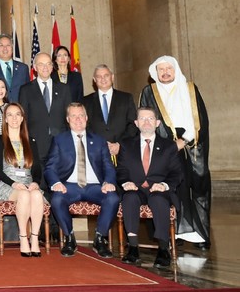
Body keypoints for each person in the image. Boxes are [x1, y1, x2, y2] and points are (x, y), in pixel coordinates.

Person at [139, 55, 211, 249]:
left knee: (196, 188)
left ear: (175, 70)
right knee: (170, 189)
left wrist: (184, 140)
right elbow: (145, 120)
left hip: (190, 144)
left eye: (168, 68)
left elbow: (200, 119)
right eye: (161, 69)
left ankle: (200, 235)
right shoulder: (149, 91)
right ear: (155, 72)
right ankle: (174, 232)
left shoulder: (190, 89)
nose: (165, 73)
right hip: (162, 147)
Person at [44, 103, 119, 258]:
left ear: (86, 118)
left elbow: (109, 166)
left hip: (95, 186)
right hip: (70, 186)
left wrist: (108, 182)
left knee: (113, 198)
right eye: (73, 116)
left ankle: (100, 238)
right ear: (67, 119)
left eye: (81, 116)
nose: (78, 119)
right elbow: (50, 167)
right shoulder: (59, 140)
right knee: (57, 199)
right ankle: (69, 238)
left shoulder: (99, 141)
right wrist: (56, 183)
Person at [117, 107, 183, 269]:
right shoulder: (126, 145)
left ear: (157, 123)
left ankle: (163, 249)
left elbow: (177, 173)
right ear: (136, 123)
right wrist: (125, 182)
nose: (146, 122)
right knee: (129, 197)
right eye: (142, 118)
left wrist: (164, 185)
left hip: (159, 190)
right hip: (136, 189)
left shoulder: (169, 146)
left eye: (150, 118)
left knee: (158, 200)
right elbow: (121, 170)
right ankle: (133, 248)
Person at [0, 102, 44, 257]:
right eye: (10, 115)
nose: (14, 118)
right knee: (24, 195)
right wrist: (13, 183)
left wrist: (35, 182)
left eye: (17, 114)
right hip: (8, 183)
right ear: (5, 119)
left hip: (28, 182)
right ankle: (23, 237)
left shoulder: (31, 141)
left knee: (36, 195)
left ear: (22, 118)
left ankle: (34, 238)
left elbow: (37, 168)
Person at [19, 51, 72, 167]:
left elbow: (69, 117)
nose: (45, 67)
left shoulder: (64, 89)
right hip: (35, 146)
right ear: (34, 67)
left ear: (52, 67)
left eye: (48, 64)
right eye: (41, 64)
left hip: (60, 145)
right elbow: (23, 120)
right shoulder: (26, 90)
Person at [81, 64, 137, 160]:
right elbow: (84, 126)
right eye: (99, 76)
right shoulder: (85, 101)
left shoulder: (126, 98)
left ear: (112, 77)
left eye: (106, 75)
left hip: (123, 153)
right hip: (96, 153)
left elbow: (133, 124)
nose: (103, 79)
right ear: (94, 80)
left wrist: (119, 144)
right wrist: (99, 144)